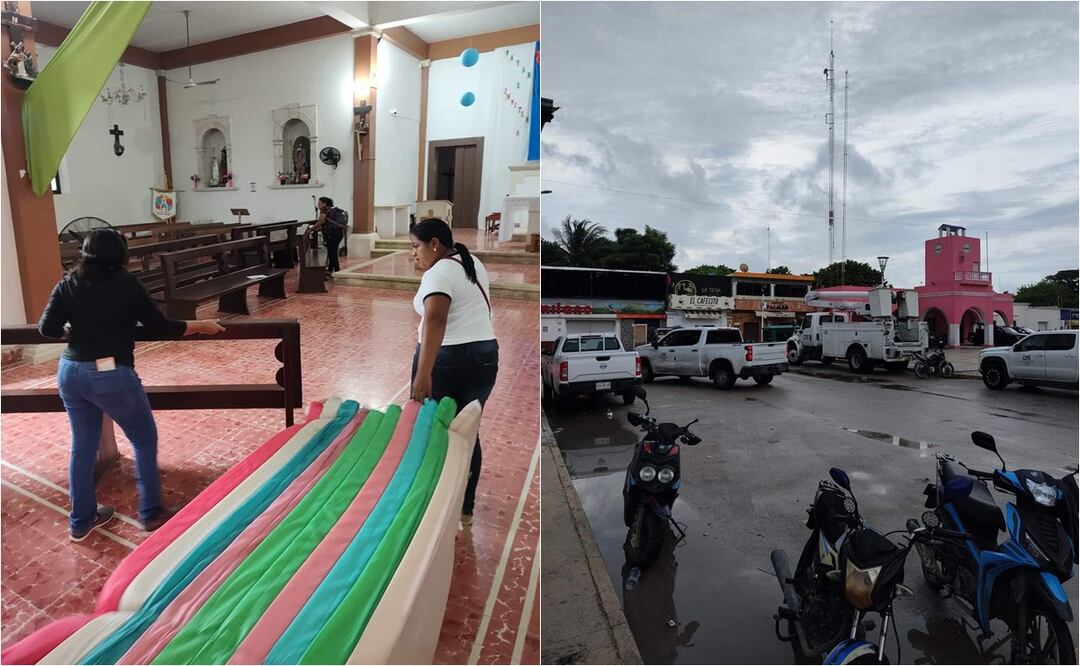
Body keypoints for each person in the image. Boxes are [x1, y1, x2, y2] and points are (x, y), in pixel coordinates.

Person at [37, 229, 225, 542]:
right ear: (121, 256)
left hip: (71, 372)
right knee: (143, 437)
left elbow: (47, 328)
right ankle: (151, 511)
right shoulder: (126, 284)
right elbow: (160, 326)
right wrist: (202, 325)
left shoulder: (68, 283)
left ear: (84, 255)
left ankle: (81, 521)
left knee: (82, 447)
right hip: (109, 374)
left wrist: (73, 328)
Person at [409, 218, 498, 525]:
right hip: (485, 356)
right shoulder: (471, 262)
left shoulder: (441, 270)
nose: (413, 254)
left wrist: (423, 373)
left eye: (416, 246)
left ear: (434, 244)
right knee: (467, 430)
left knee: (435, 430)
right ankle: (465, 504)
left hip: (448, 358)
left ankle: (435, 503)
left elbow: (435, 320)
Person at [311, 196, 347, 277]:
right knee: (332, 251)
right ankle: (330, 269)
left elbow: (320, 222)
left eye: (320, 203)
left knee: (332, 253)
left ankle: (337, 270)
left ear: (325, 204)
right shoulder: (332, 210)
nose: (318, 205)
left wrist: (311, 229)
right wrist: (316, 229)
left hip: (331, 234)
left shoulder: (325, 211)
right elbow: (326, 224)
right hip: (338, 234)